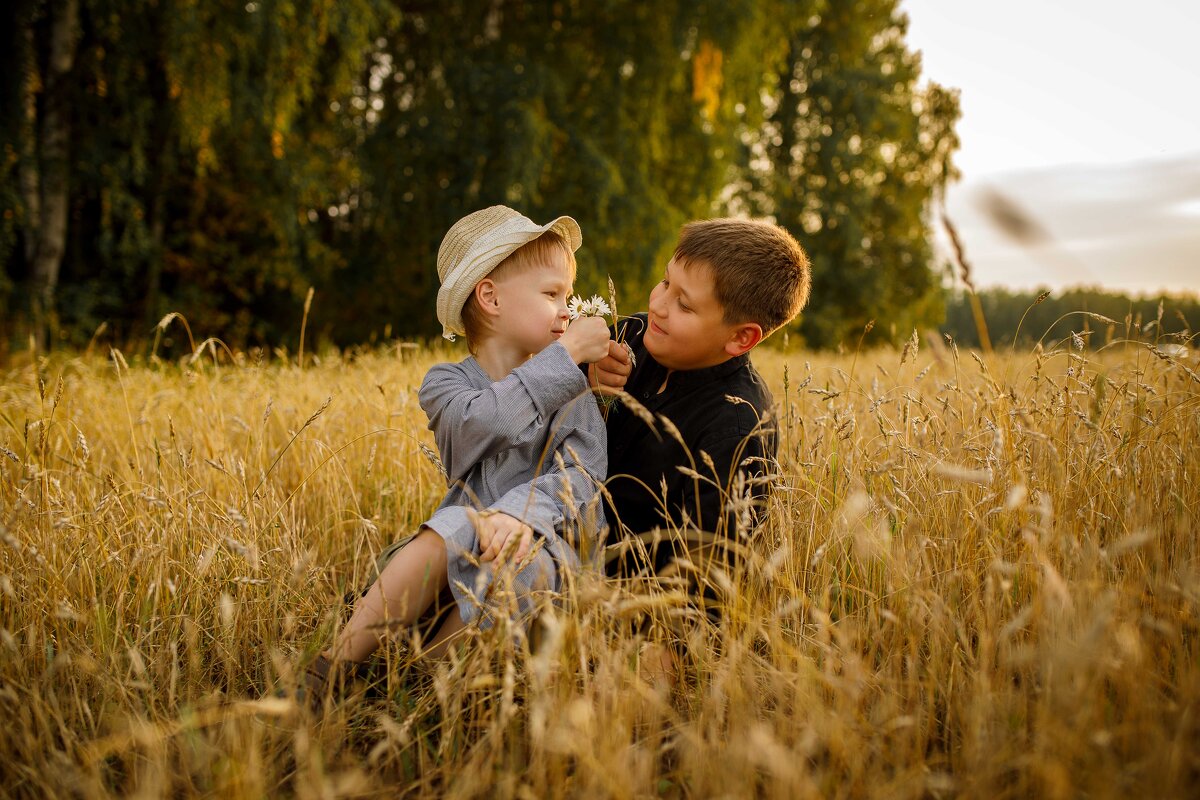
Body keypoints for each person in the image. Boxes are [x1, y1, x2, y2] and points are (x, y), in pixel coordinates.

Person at [304, 206, 611, 703]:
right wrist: (564, 358)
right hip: (462, 533)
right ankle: (329, 670)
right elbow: (483, 424)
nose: (567, 310)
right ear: (489, 297)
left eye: (570, 297)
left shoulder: (575, 391)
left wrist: (520, 516)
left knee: (522, 572)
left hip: (542, 541)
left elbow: (580, 474)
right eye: (552, 294)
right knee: (452, 527)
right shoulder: (446, 384)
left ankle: (421, 688)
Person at [590, 218, 811, 620]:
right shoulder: (630, 334)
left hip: (628, 608)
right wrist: (582, 377)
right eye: (664, 282)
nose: (657, 304)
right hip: (549, 546)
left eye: (684, 304)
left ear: (740, 338)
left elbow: (707, 582)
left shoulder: (739, 426)